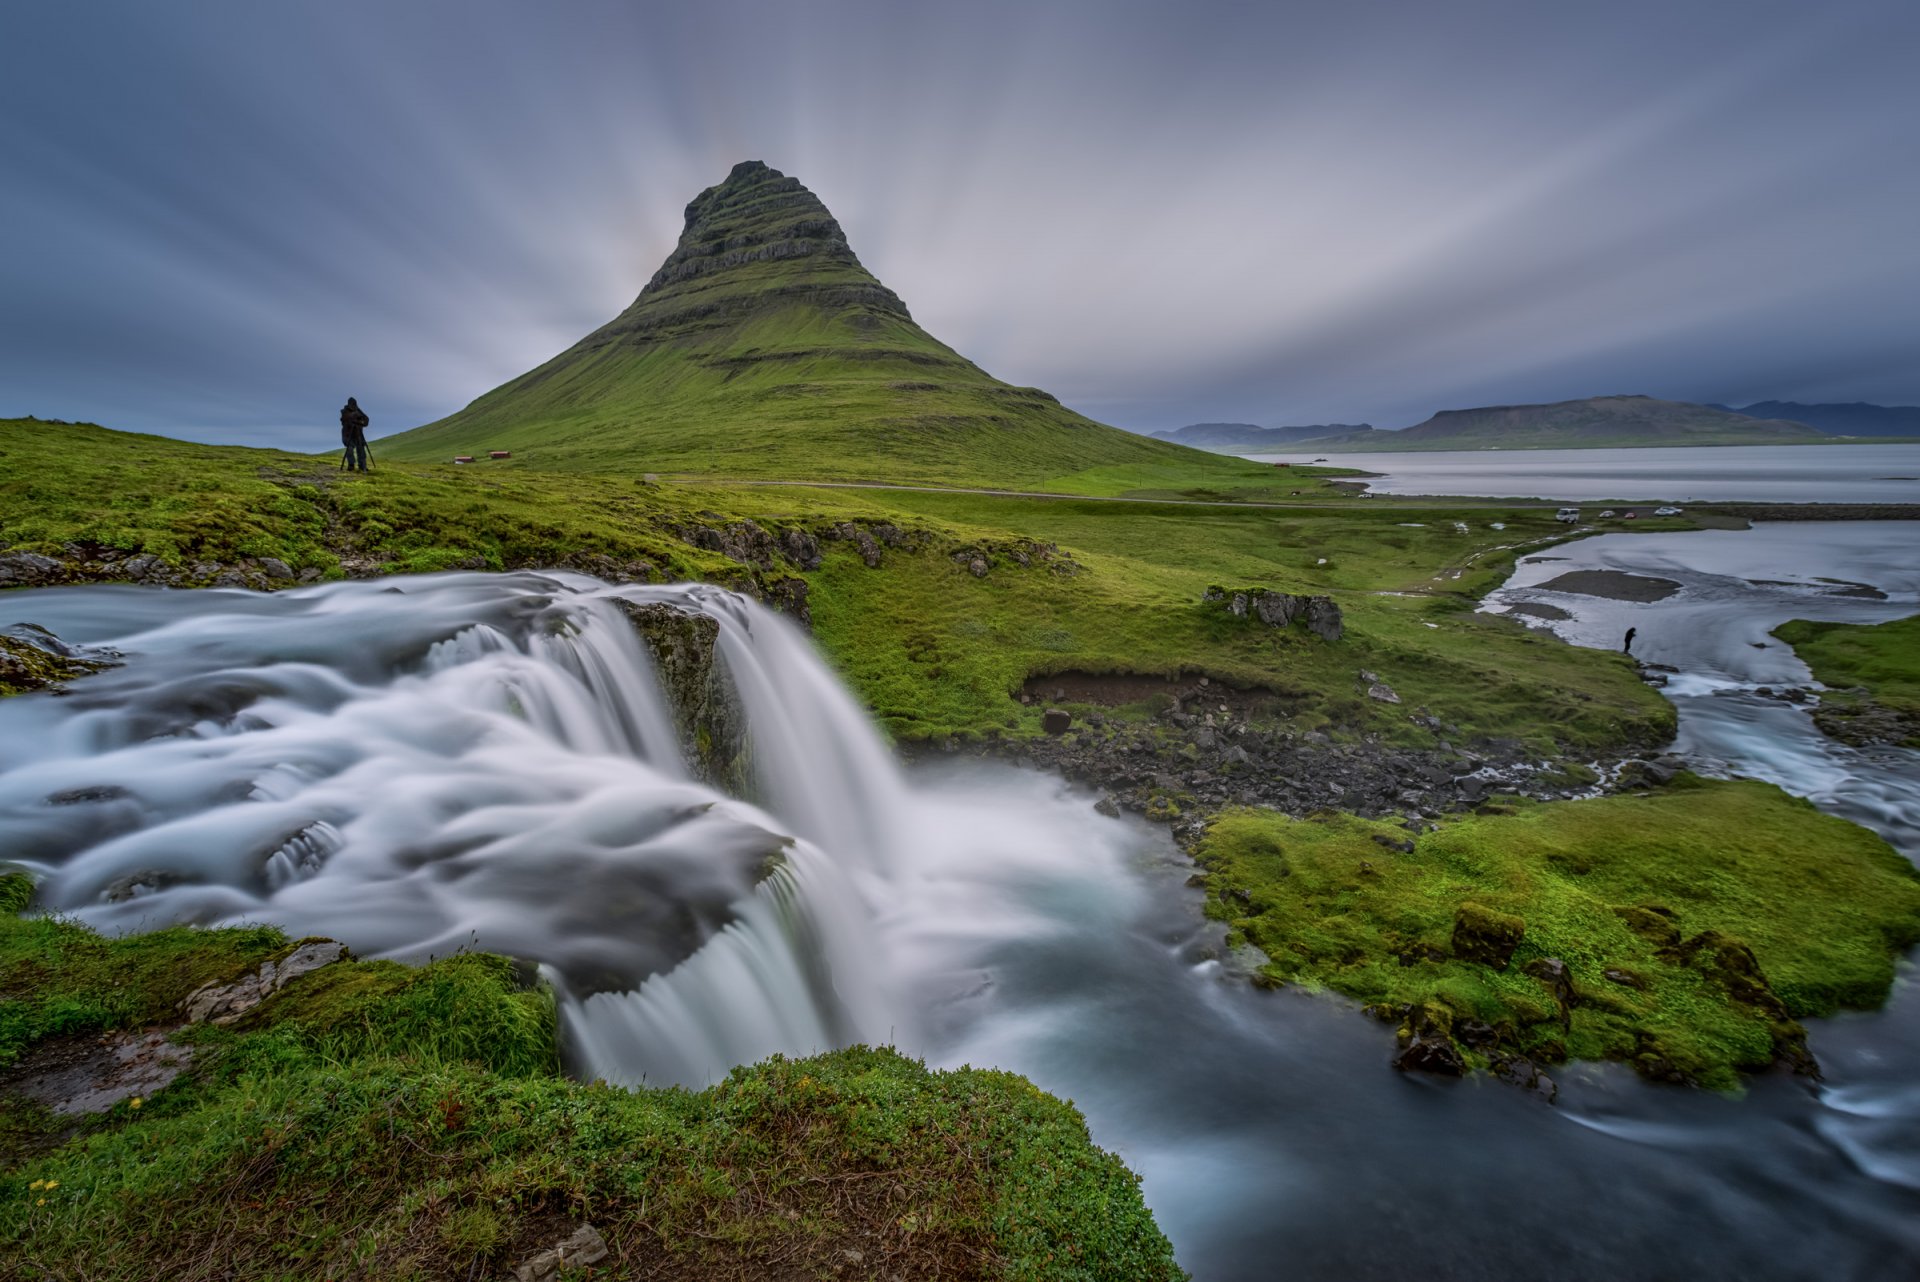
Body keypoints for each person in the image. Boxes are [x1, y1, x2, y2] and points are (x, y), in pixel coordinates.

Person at [339, 397, 371, 472]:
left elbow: (366, 419)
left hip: (358, 433)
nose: (353, 406)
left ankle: (362, 465)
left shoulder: (358, 410)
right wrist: (357, 419)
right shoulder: (344, 411)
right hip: (348, 434)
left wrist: (359, 421)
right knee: (349, 449)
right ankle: (351, 465)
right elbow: (346, 420)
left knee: (361, 449)